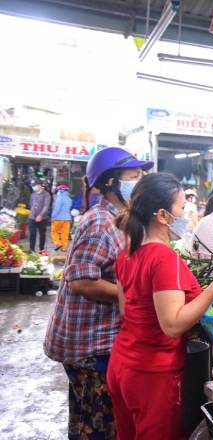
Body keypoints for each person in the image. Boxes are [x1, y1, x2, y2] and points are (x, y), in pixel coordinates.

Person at [107, 173, 213, 440]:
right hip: (151, 376)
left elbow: (127, 311)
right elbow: (172, 325)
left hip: (122, 365)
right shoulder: (163, 258)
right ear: (162, 215)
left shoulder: (128, 251)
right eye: (182, 208)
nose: (186, 215)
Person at [44, 147, 153, 439]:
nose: (139, 181)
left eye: (141, 175)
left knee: (89, 419)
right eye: (133, 176)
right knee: (97, 425)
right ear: (111, 183)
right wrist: (129, 294)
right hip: (89, 347)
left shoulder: (120, 218)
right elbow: (81, 280)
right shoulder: (100, 221)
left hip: (99, 341)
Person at [28, 179, 51, 252]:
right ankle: (31, 250)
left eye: (34, 186)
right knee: (32, 234)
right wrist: (32, 214)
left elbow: (46, 206)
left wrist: (40, 215)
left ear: (39, 185)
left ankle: (41, 249)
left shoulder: (46, 195)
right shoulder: (32, 194)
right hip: (32, 217)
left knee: (42, 234)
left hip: (43, 218)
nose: (33, 187)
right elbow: (31, 205)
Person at [51, 183, 73, 252]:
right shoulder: (69, 199)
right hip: (67, 218)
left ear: (60, 190)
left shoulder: (59, 198)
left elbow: (57, 208)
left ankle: (58, 243)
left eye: (58, 190)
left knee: (54, 231)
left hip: (58, 218)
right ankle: (64, 247)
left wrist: (53, 216)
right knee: (65, 233)